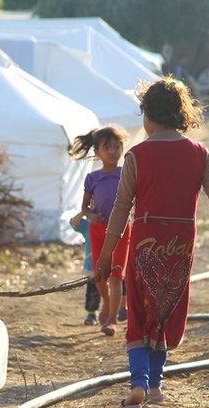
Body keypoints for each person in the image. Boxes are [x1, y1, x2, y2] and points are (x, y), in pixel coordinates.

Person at [98, 77, 209, 408]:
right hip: (180, 246)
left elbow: (121, 207)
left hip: (144, 245)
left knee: (140, 314)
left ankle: (139, 384)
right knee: (166, 310)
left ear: (149, 116)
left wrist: (106, 254)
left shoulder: (137, 155)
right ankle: (156, 384)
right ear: (181, 114)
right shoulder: (199, 153)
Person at [69, 125, 131, 336]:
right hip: (98, 229)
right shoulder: (93, 178)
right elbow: (84, 207)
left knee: (116, 275)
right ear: (97, 152)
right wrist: (90, 215)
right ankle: (106, 304)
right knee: (99, 275)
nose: (113, 151)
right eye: (107, 147)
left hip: (122, 230)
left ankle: (112, 319)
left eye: (117, 146)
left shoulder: (127, 174)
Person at [69, 213, 100, 326]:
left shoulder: (112, 222)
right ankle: (92, 313)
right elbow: (74, 222)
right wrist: (85, 211)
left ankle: (118, 311)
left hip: (111, 261)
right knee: (93, 288)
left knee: (118, 284)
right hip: (92, 263)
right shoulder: (88, 225)